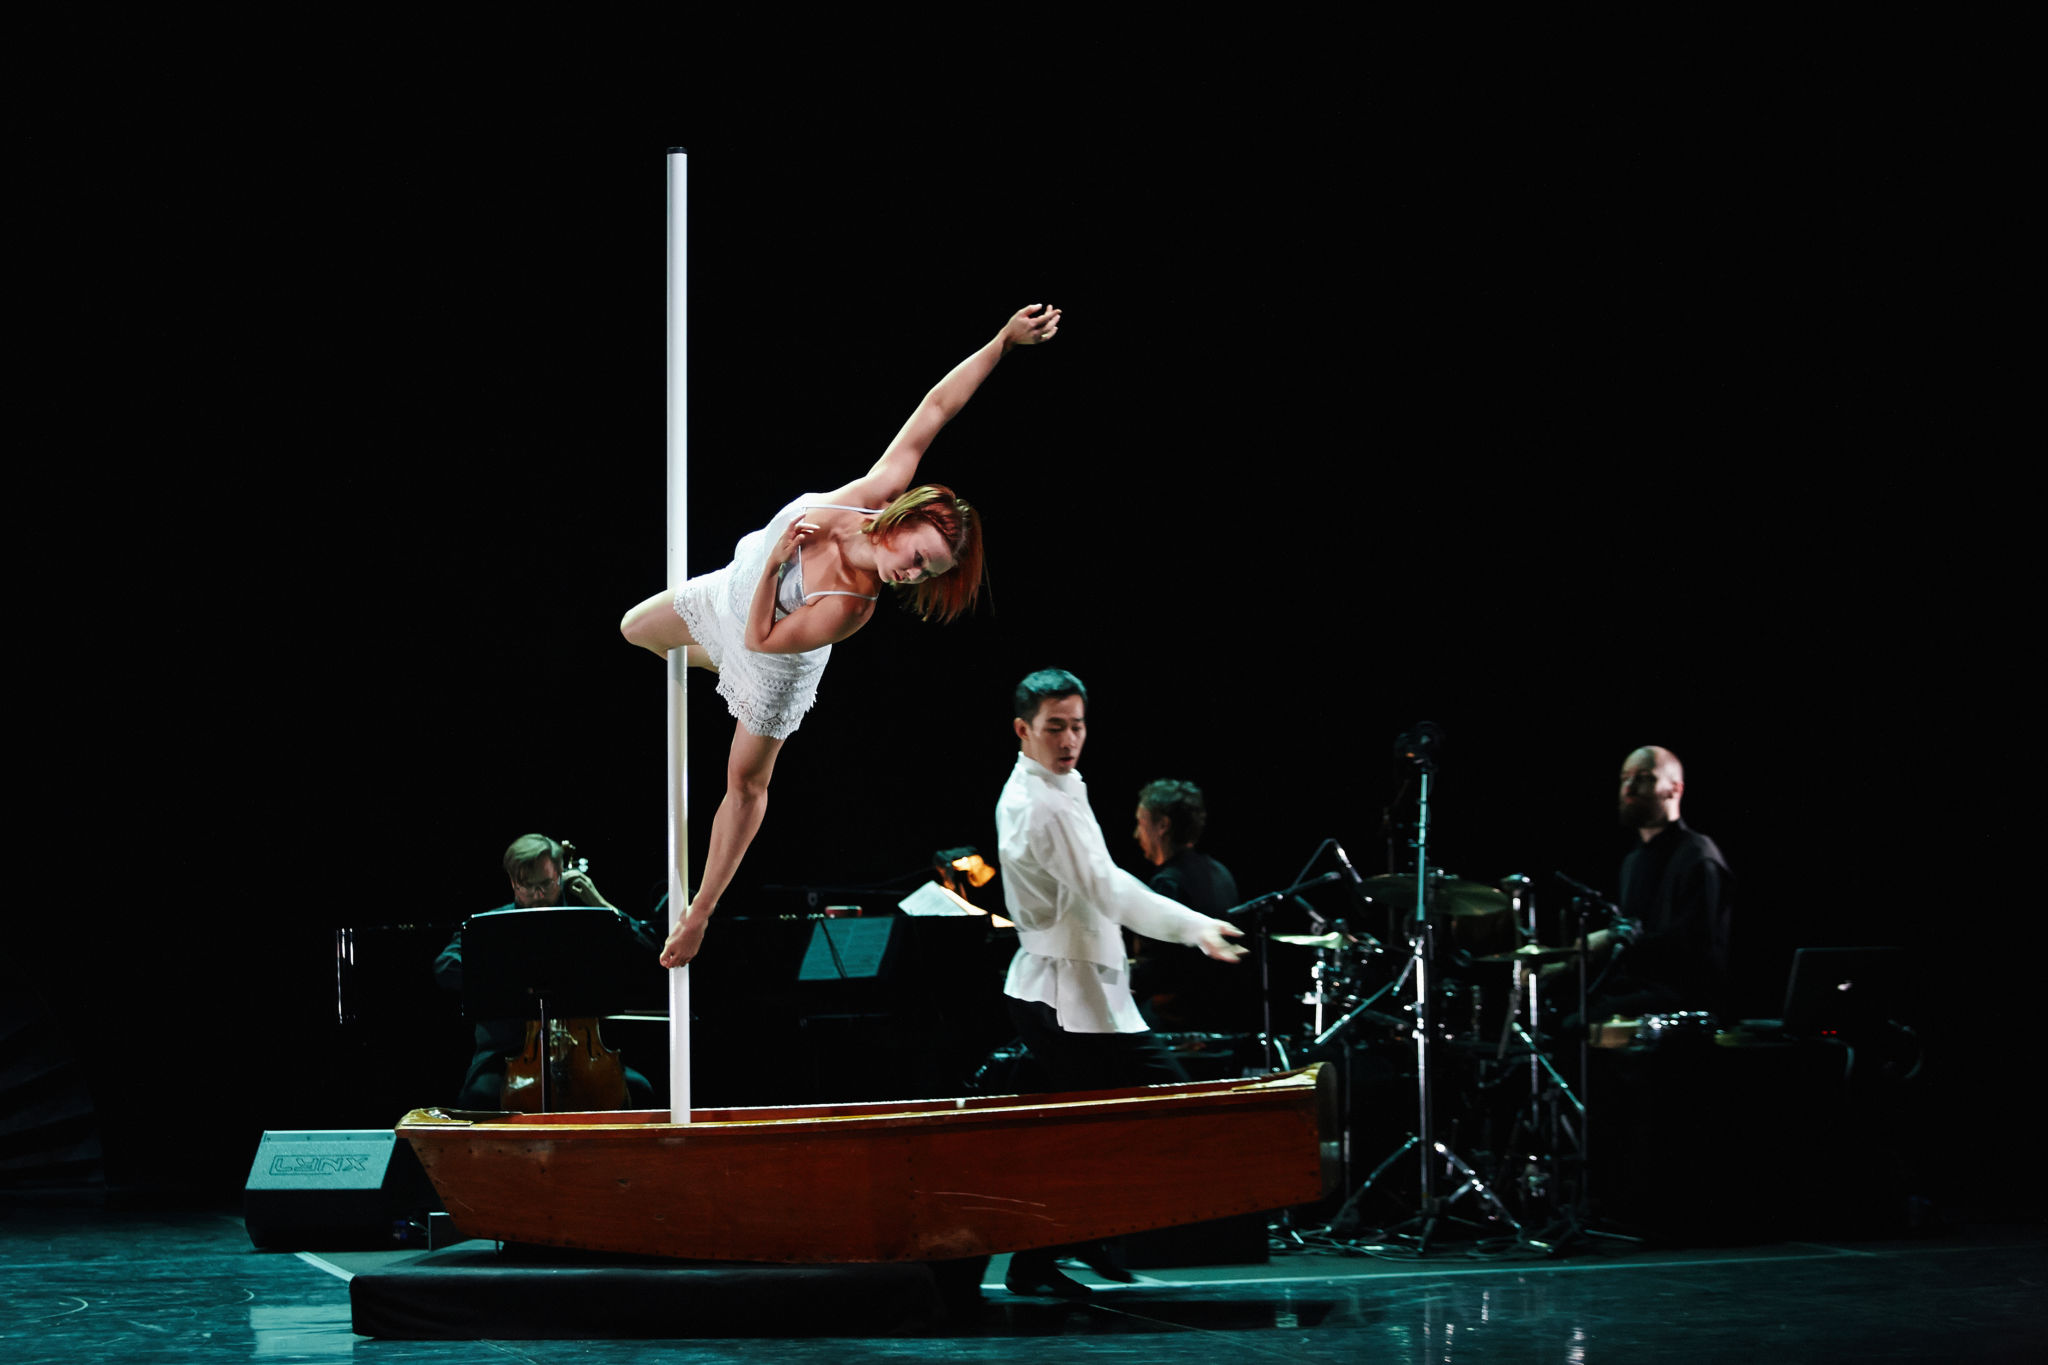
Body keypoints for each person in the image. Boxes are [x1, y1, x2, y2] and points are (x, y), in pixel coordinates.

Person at [621, 304, 1059, 971]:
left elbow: (761, 639)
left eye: (927, 574)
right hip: (732, 589)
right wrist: (1002, 341)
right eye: (918, 557)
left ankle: (701, 911)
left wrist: (777, 563)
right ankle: (716, 668)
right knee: (634, 628)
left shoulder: (853, 607)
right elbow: (938, 407)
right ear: (902, 519)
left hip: (772, 654)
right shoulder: (876, 490)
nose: (912, 575)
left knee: (745, 784)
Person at [996, 669, 1246, 1296]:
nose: (1069, 740)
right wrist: (1193, 927)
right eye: (1055, 728)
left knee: (1096, 1131)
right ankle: (1051, 1253)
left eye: (1078, 726)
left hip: (1079, 988)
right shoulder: (1040, 804)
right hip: (1062, 995)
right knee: (1141, 1115)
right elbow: (1108, 888)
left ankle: (1074, 1245)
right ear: (1024, 730)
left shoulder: (1057, 785)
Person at [434, 833, 656, 1109]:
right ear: (513, 882)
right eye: (528, 886)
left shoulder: (590, 921)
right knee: (476, 1099)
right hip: (507, 1052)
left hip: (582, 1052)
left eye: (546, 884)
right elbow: (445, 965)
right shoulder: (490, 927)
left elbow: (652, 950)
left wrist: (599, 902)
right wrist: (507, 978)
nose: (538, 894)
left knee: (641, 1091)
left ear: (560, 875)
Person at [1564, 745, 1735, 1025]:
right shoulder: (1633, 861)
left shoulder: (1699, 856)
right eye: (1625, 778)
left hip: (1683, 1000)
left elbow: (1692, 949)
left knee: (1575, 1027)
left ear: (1675, 789)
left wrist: (1611, 939)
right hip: (1639, 991)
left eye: (1643, 778)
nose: (1629, 788)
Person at [1128, 779, 1258, 1031]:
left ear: (1162, 825)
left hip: (1180, 1013)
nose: (1136, 834)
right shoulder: (1221, 872)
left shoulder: (1168, 883)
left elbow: (1159, 968)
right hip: (1224, 1010)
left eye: (1140, 823)